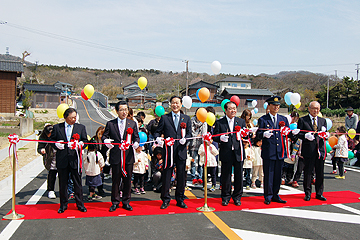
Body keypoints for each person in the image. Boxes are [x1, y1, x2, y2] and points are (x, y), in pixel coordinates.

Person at [154, 96, 192, 209]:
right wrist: (158, 139)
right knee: (166, 176)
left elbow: (190, 133)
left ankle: (180, 199)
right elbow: (157, 132)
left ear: (181, 104)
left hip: (181, 151)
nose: (175, 105)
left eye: (177, 103)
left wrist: (186, 139)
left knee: (181, 177)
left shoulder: (186, 118)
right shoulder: (165, 118)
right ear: (170, 105)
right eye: (173, 103)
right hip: (168, 151)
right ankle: (165, 199)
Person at [256, 96, 296, 205]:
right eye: (273, 105)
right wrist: (263, 134)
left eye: (278, 105)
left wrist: (293, 133)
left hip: (280, 151)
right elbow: (257, 134)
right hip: (269, 151)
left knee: (278, 175)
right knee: (269, 175)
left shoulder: (283, 119)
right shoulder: (263, 119)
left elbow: (288, 133)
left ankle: (276, 194)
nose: (276, 107)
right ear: (269, 106)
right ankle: (268, 195)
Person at [103, 101, 140, 212]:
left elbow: (136, 137)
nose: (124, 112)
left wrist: (136, 143)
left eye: (126, 109)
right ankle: (115, 202)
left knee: (128, 180)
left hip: (128, 157)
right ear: (116, 111)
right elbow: (105, 135)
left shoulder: (132, 123)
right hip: (116, 156)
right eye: (122, 110)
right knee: (115, 180)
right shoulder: (111, 124)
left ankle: (126, 201)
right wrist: (106, 141)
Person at [50, 108, 88, 213]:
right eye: (71, 117)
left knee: (77, 183)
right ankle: (63, 205)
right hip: (62, 159)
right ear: (65, 117)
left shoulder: (80, 127)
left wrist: (81, 145)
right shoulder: (57, 127)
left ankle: (80, 204)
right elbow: (51, 140)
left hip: (75, 159)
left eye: (75, 117)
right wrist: (57, 144)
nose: (74, 119)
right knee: (63, 183)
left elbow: (85, 141)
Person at [213, 101, 246, 207]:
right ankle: (225, 197)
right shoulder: (220, 122)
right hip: (226, 152)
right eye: (230, 108)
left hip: (238, 152)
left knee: (239, 176)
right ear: (225, 110)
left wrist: (246, 134)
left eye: (235, 108)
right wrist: (220, 138)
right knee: (226, 176)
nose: (233, 110)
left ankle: (237, 197)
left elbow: (245, 135)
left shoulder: (240, 121)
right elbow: (214, 136)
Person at [297, 101, 327, 201]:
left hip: (320, 150)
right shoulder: (303, 120)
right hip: (308, 150)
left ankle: (319, 193)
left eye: (318, 109)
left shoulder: (323, 121)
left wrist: (325, 135)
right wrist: (305, 136)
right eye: (314, 108)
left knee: (320, 173)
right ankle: (308, 193)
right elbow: (298, 134)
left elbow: (325, 134)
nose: (316, 110)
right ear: (309, 109)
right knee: (308, 172)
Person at [38, 123, 57, 199]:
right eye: (49, 134)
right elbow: (39, 147)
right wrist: (41, 150)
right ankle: (51, 190)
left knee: (64, 175)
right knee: (52, 174)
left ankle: (67, 191)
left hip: (60, 156)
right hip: (50, 158)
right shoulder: (43, 138)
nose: (50, 135)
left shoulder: (57, 135)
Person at [189, 108, 207, 185]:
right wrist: (197, 135)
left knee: (201, 162)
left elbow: (204, 133)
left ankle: (200, 176)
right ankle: (193, 177)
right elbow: (190, 132)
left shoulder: (204, 122)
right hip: (192, 144)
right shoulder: (191, 121)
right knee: (193, 161)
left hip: (201, 145)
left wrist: (201, 136)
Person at [92, 126, 107, 196]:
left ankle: (100, 188)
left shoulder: (106, 141)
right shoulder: (94, 139)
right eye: (99, 134)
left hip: (102, 160)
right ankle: (92, 190)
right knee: (93, 175)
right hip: (94, 160)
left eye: (102, 134)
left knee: (101, 175)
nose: (100, 136)